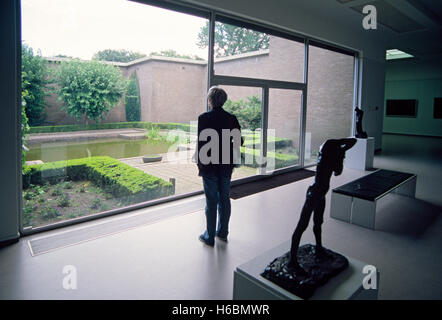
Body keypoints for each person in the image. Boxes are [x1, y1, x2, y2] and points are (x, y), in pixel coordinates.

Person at [287, 138, 357, 274]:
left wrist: (341, 150)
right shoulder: (325, 154)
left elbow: (352, 142)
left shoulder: (333, 151)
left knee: (318, 223)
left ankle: (319, 248)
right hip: (314, 194)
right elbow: (338, 170)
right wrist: (340, 150)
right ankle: (292, 261)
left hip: (321, 194)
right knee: (302, 226)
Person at [196, 86, 243, 247]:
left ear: (210, 100)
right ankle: (222, 233)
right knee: (224, 198)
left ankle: (209, 236)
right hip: (226, 164)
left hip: (209, 165)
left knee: (211, 200)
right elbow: (239, 142)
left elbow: (202, 143)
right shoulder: (231, 118)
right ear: (224, 101)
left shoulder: (203, 118)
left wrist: (199, 163)